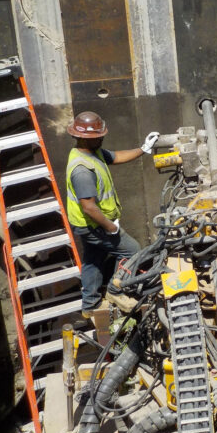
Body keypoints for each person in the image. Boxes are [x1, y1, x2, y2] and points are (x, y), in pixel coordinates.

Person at [65, 110, 159, 318]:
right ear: (81, 137)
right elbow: (88, 206)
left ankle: (90, 305)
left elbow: (115, 157)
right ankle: (117, 290)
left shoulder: (92, 152)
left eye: (101, 135)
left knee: (93, 259)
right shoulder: (82, 170)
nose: (101, 138)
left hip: (89, 224)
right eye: (97, 136)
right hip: (93, 224)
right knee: (131, 251)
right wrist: (111, 227)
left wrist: (143, 149)